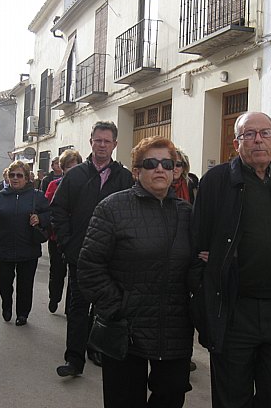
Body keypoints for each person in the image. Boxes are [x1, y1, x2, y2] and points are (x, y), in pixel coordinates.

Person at [191, 112, 271, 408]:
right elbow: (197, 242)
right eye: (249, 134)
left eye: (265, 133)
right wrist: (208, 277)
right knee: (231, 398)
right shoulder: (216, 181)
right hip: (234, 310)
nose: (258, 140)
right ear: (237, 143)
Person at [79, 136, 202, 407]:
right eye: (151, 163)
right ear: (137, 171)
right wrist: (117, 306)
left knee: (170, 397)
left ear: (175, 171)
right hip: (125, 329)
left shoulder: (188, 214)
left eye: (167, 164)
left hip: (174, 330)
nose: (160, 169)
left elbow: (195, 267)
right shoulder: (112, 208)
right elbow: (90, 267)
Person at [51, 121, 133, 377]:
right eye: (98, 140)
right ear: (91, 142)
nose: (102, 145)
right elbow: (58, 210)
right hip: (81, 256)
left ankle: (98, 349)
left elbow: (132, 214)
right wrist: (68, 243)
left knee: (107, 306)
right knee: (77, 308)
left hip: (113, 257)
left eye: (107, 141)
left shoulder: (125, 177)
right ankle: (74, 360)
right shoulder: (74, 175)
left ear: (115, 144)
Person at [0, 161, 50, 326]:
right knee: (4, 281)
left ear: (26, 178)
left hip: (29, 248)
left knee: (25, 284)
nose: (15, 178)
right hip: (5, 247)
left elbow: (50, 215)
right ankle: (6, 305)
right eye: (12, 175)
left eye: (19, 175)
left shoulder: (37, 196)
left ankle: (23, 313)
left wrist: (40, 218)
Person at [44, 149, 82, 314]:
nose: (71, 171)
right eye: (68, 167)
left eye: (75, 167)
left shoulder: (85, 185)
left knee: (74, 274)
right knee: (57, 271)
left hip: (77, 236)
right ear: (62, 168)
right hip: (57, 236)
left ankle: (69, 307)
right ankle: (54, 297)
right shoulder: (54, 185)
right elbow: (48, 208)